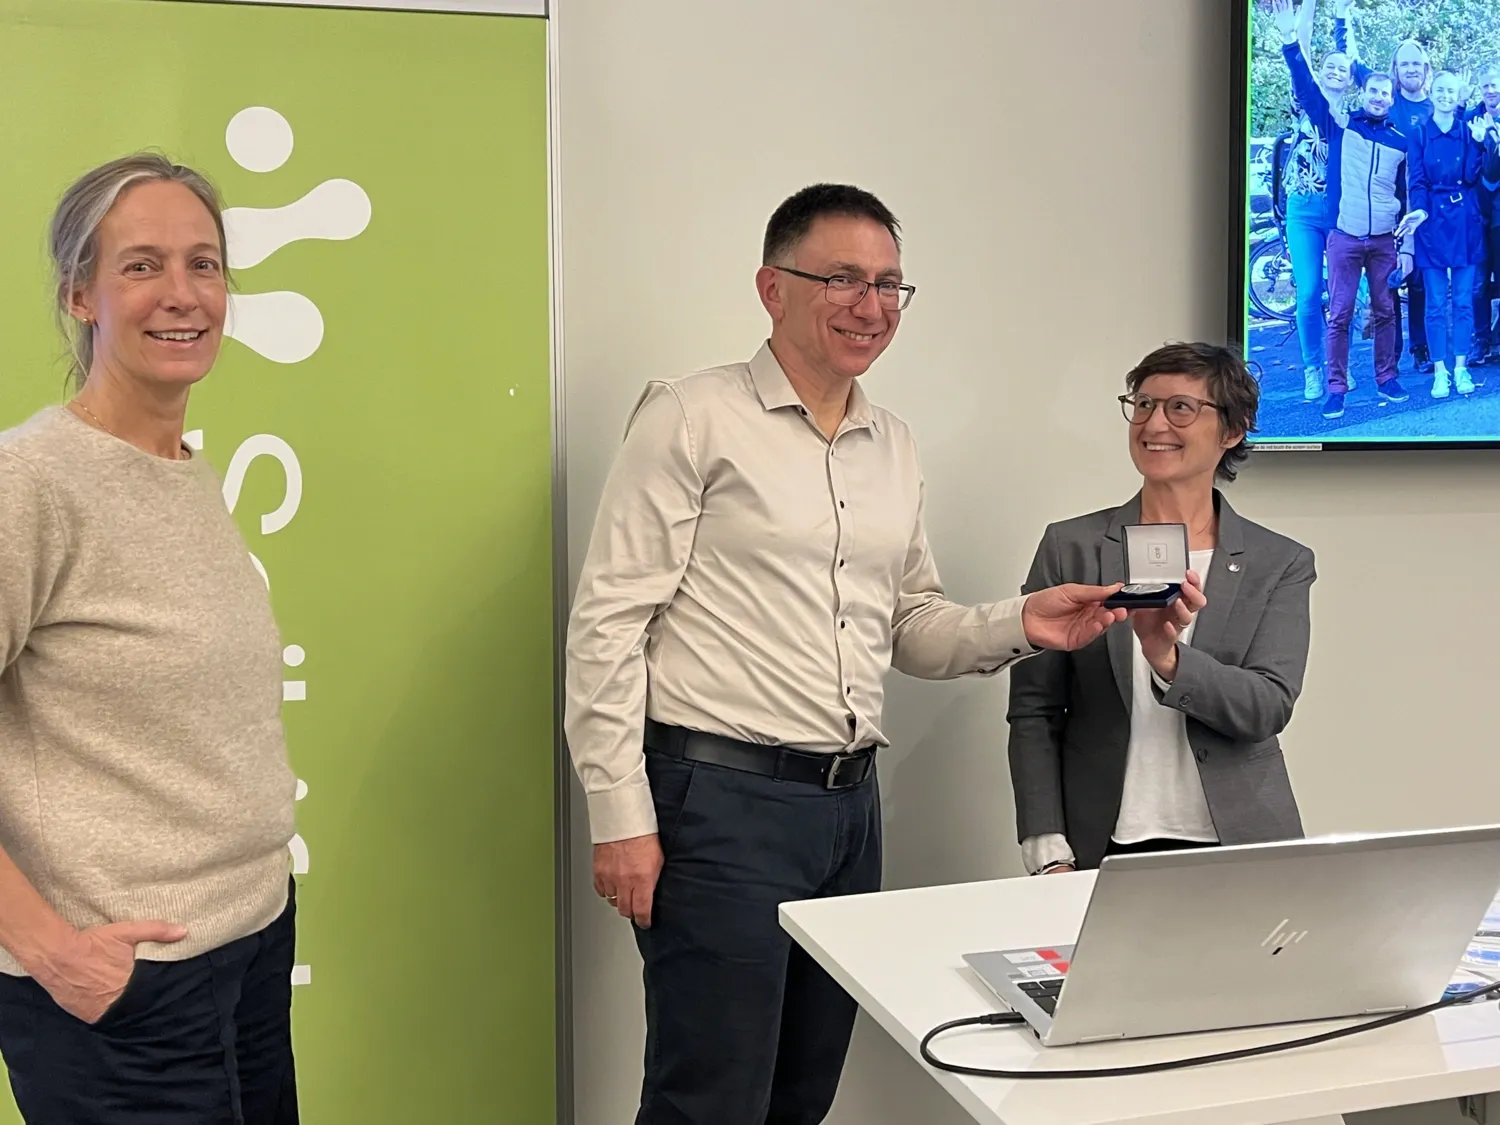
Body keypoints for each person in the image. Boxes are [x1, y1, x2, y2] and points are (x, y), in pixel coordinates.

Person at [564, 183, 1126, 1125]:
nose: (872, 306)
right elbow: (608, 623)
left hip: (848, 811)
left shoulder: (891, 444)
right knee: (710, 1096)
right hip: (717, 807)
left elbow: (908, 622)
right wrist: (619, 812)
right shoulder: (692, 416)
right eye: (844, 279)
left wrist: (1025, 623)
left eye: (891, 286)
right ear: (771, 287)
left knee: (803, 1091)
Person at [0, 154, 299, 1123]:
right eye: (142, 266)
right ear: (80, 293)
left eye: (203, 264)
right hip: (125, 997)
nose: (182, 294)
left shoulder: (177, 467)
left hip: (246, 948)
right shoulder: (32, 482)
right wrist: (53, 950)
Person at [1008, 343, 1314, 874]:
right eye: (1144, 404)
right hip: (1100, 840)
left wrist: (1168, 661)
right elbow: (1034, 709)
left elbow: (1267, 707)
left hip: (1240, 841)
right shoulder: (1072, 547)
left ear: (1232, 430)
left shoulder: (1278, 562)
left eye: (1181, 408)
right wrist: (1046, 846)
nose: (1154, 423)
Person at [1278, 2, 1414, 420]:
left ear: (1391, 98)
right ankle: (1335, 387)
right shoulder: (1340, 125)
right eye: (1371, 90)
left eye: (1384, 92)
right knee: (1340, 313)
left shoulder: (1400, 140)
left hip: (1383, 240)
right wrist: (1290, 42)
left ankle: (1386, 379)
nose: (1377, 97)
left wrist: (1405, 244)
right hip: (1345, 235)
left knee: (1386, 310)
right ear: (1364, 93)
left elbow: (1407, 197)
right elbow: (1305, 88)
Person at [1336, 12, 1435, 375]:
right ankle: (1389, 356)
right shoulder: (1387, 97)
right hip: (1384, 208)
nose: (1411, 68)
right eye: (1404, 63)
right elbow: (1349, 58)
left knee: (1420, 281)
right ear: (1395, 68)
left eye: (1416, 63)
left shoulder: (1437, 104)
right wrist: (1341, 15)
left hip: (1422, 207)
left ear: (1426, 68)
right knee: (1387, 286)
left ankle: (1421, 348)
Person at [1278, 0, 1356, 401]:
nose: (1335, 71)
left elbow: (1348, 55)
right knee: (1309, 292)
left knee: (1342, 295)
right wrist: (1305, 9)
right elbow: (1301, 58)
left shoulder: (1352, 115)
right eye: (1329, 66)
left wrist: (1343, 17)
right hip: (1304, 210)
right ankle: (1313, 369)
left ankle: (1339, 368)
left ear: (1348, 79)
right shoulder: (1303, 101)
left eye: (1342, 68)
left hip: (1339, 215)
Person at [1402, 72, 1487, 398]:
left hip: (1465, 219)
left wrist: (1480, 144)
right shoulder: (1420, 133)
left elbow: (1470, 176)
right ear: (1431, 93)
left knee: (1464, 301)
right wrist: (1420, 210)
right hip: (1432, 222)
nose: (1445, 95)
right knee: (1435, 303)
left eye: (1451, 91)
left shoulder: (1468, 131)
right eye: (1440, 90)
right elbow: (1417, 180)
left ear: (1458, 94)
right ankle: (1441, 371)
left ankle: (1461, 368)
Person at [1470, 65, 1500, 368]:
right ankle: (1480, 339)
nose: (1491, 90)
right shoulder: (1470, 120)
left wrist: (1492, 141)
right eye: (1485, 86)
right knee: (1477, 283)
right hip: (1477, 216)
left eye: (1495, 84)